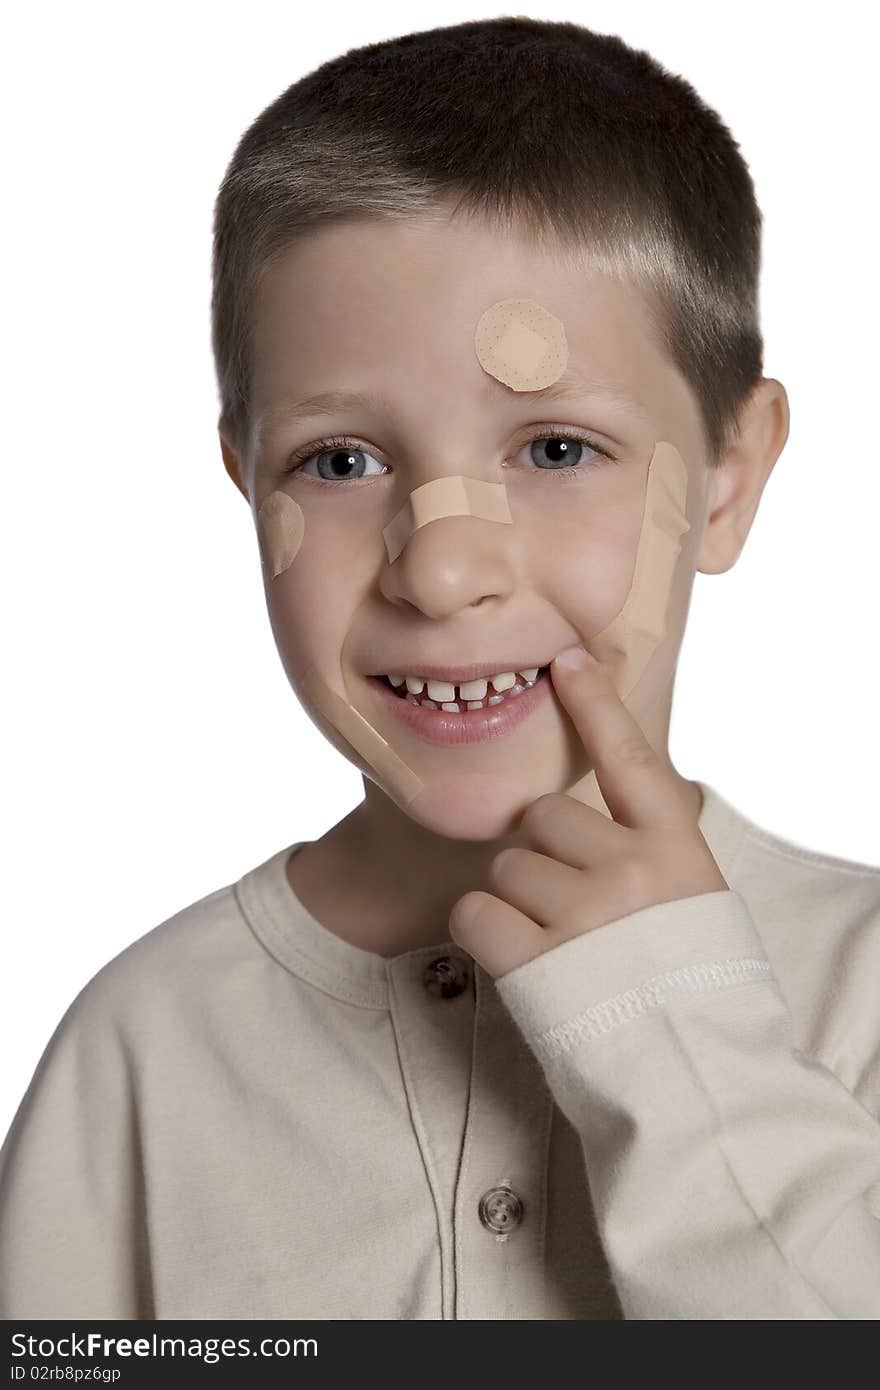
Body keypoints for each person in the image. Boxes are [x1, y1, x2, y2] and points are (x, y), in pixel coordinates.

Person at [2, 16, 879, 1321]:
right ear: (245, 478)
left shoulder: (859, 987)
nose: (443, 567)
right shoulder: (139, 1058)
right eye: (342, 461)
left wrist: (683, 1025)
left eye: (558, 449)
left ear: (730, 480)